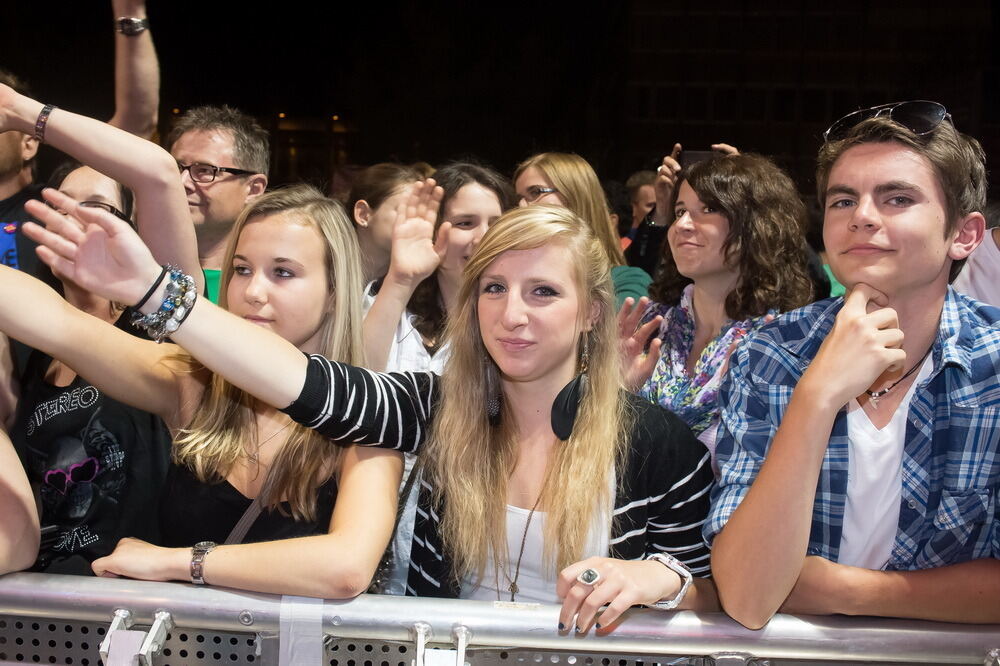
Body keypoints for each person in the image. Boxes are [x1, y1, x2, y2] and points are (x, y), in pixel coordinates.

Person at [27, 191, 718, 631]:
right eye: (495, 288)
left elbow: (719, 594)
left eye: (543, 292)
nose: (512, 315)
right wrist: (155, 295)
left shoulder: (659, 447)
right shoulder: (431, 409)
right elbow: (302, 382)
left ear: (592, 311)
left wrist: (657, 577)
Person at [2, 184, 400, 597]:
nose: (252, 292)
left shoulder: (370, 414)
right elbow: (60, 326)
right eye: (242, 270)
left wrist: (174, 561)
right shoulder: (193, 383)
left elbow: (346, 568)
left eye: (283, 272)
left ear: (335, 292)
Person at [706, 102, 1000, 628]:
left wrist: (847, 590)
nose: (862, 215)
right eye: (843, 199)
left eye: (897, 198)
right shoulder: (770, 352)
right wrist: (817, 396)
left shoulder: (993, 365)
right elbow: (749, 596)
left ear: (965, 234)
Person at [362, 162, 513, 594]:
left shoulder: (517, 325)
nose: (483, 237)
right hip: (367, 517)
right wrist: (401, 279)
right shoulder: (384, 301)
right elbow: (355, 384)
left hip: (468, 537)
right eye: (465, 223)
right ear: (433, 230)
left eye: (496, 223)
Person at [621, 154, 813, 469]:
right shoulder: (649, 325)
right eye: (680, 210)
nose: (682, 224)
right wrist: (615, 393)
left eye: (708, 209)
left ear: (757, 224)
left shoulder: (782, 343)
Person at [513, 152, 651, 307]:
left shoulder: (625, 282)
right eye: (519, 198)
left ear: (575, 195)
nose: (522, 206)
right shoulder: (512, 274)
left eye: (536, 192)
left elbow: (611, 330)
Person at [167, 106, 269, 303]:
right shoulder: (142, 265)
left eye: (204, 170)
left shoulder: (261, 287)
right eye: (175, 167)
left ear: (254, 188)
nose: (181, 182)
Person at [347, 163, 422, 285]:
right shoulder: (326, 274)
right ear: (363, 214)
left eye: (420, 212)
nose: (417, 221)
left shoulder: (420, 281)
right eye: (405, 210)